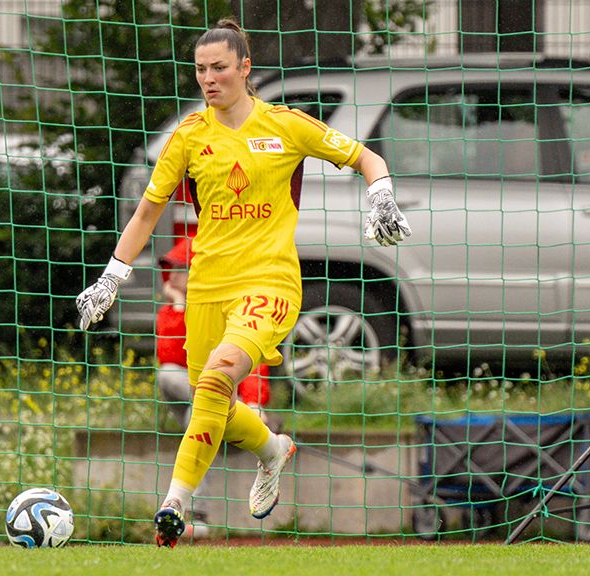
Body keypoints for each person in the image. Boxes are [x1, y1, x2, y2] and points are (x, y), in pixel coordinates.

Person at [76, 18, 411, 548]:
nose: (209, 79)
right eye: (200, 70)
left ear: (245, 68)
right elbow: (146, 213)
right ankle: (272, 449)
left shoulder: (286, 125)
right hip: (207, 289)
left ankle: (173, 505)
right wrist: (111, 277)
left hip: (270, 283)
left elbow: (367, 157)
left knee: (217, 378)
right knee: (214, 402)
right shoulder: (189, 136)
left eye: (220, 68)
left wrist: (382, 196)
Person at [155, 236, 275, 539]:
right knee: (169, 377)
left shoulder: (230, 305)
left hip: (229, 404)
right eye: (172, 269)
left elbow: (250, 360)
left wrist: (254, 403)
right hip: (199, 396)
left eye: (180, 269)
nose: (173, 276)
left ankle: (197, 515)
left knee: (196, 413)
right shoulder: (172, 310)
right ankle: (196, 515)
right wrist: (179, 307)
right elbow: (169, 355)